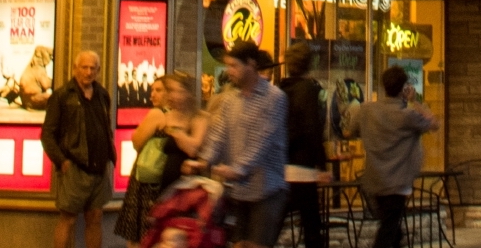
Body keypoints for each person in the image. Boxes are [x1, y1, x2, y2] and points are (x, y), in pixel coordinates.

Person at [195, 42, 288, 248]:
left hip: (267, 189)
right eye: (228, 66)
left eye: (234, 66)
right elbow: (219, 134)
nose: (229, 72)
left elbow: (262, 140)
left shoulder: (274, 98)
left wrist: (238, 169)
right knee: (237, 244)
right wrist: (204, 160)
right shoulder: (230, 100)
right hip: (239, 191)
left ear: (251, 64)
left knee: (256, 244)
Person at [347, 66, 438, 248]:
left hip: (374, 181)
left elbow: (350, 131)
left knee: (394, 230)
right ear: (404, 88)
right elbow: (434, 123)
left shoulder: (366, 111)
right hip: (397, 182)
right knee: (388, 230)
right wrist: (415, 101)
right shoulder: (407, 115)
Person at [115, 73, 200, 244]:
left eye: (160, 90)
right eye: (153, 90)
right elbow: (137, 142)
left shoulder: (163, 115)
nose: (154, 94)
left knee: (146, 233)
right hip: (162, 183)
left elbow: (137, 141)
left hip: (156, 184)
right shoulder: (176, 116)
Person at [43, 51, 114, 248]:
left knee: (95, 218)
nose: (89, 72)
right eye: (84, 67)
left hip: (99, 169)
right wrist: (62, 162)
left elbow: (106, 127)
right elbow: (47, 134)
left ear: (98, 70)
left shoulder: (102, 94)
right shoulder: (62, 96)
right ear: (75, 69)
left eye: (93, 68)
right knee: (68, 219)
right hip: (74, 168)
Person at [277, 43, 331, 248]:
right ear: (309, 64)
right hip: (303, 166)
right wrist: (322, 165)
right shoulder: (308, 89)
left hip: (283, 164)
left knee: (277, 221)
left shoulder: (281, 89)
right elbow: (312, 129)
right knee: (311, 227)